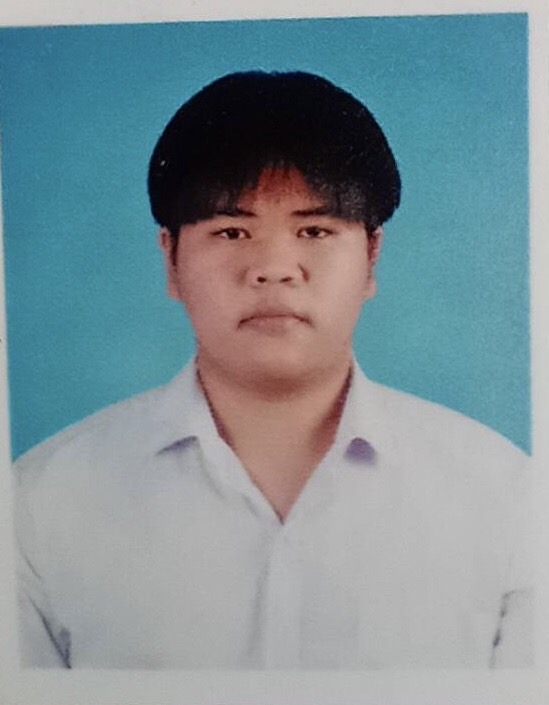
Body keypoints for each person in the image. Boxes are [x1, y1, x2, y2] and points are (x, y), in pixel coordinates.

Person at [14, 71, 532, 669]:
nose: (275, 268)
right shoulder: (41, 504)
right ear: (171, 260)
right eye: (232, 231)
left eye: (315, 230)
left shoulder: (505, 498)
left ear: (371, 257)